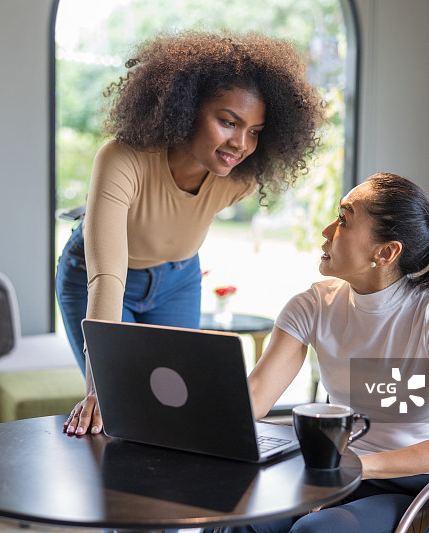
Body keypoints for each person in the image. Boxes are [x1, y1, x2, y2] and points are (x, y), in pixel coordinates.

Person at [57, 31, 324, 435]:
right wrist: (99, 390)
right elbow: (107, 278)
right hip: (100, 279)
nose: (241, 143)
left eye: (255, 131)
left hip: (178, 280)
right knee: (119, 406)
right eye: (228, 122)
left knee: (172, 409)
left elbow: (175, 218)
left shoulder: (239, 180)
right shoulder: (122, 158)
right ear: (183, 107)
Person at [218, 173, 429, 533]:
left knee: (314, 532)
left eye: (344, 220)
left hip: (419, 487)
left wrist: (359, 466)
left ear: (386, 252)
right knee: (237, 517)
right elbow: (255, 395)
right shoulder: (315, 304)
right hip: (340, 476)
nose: (326, 230)